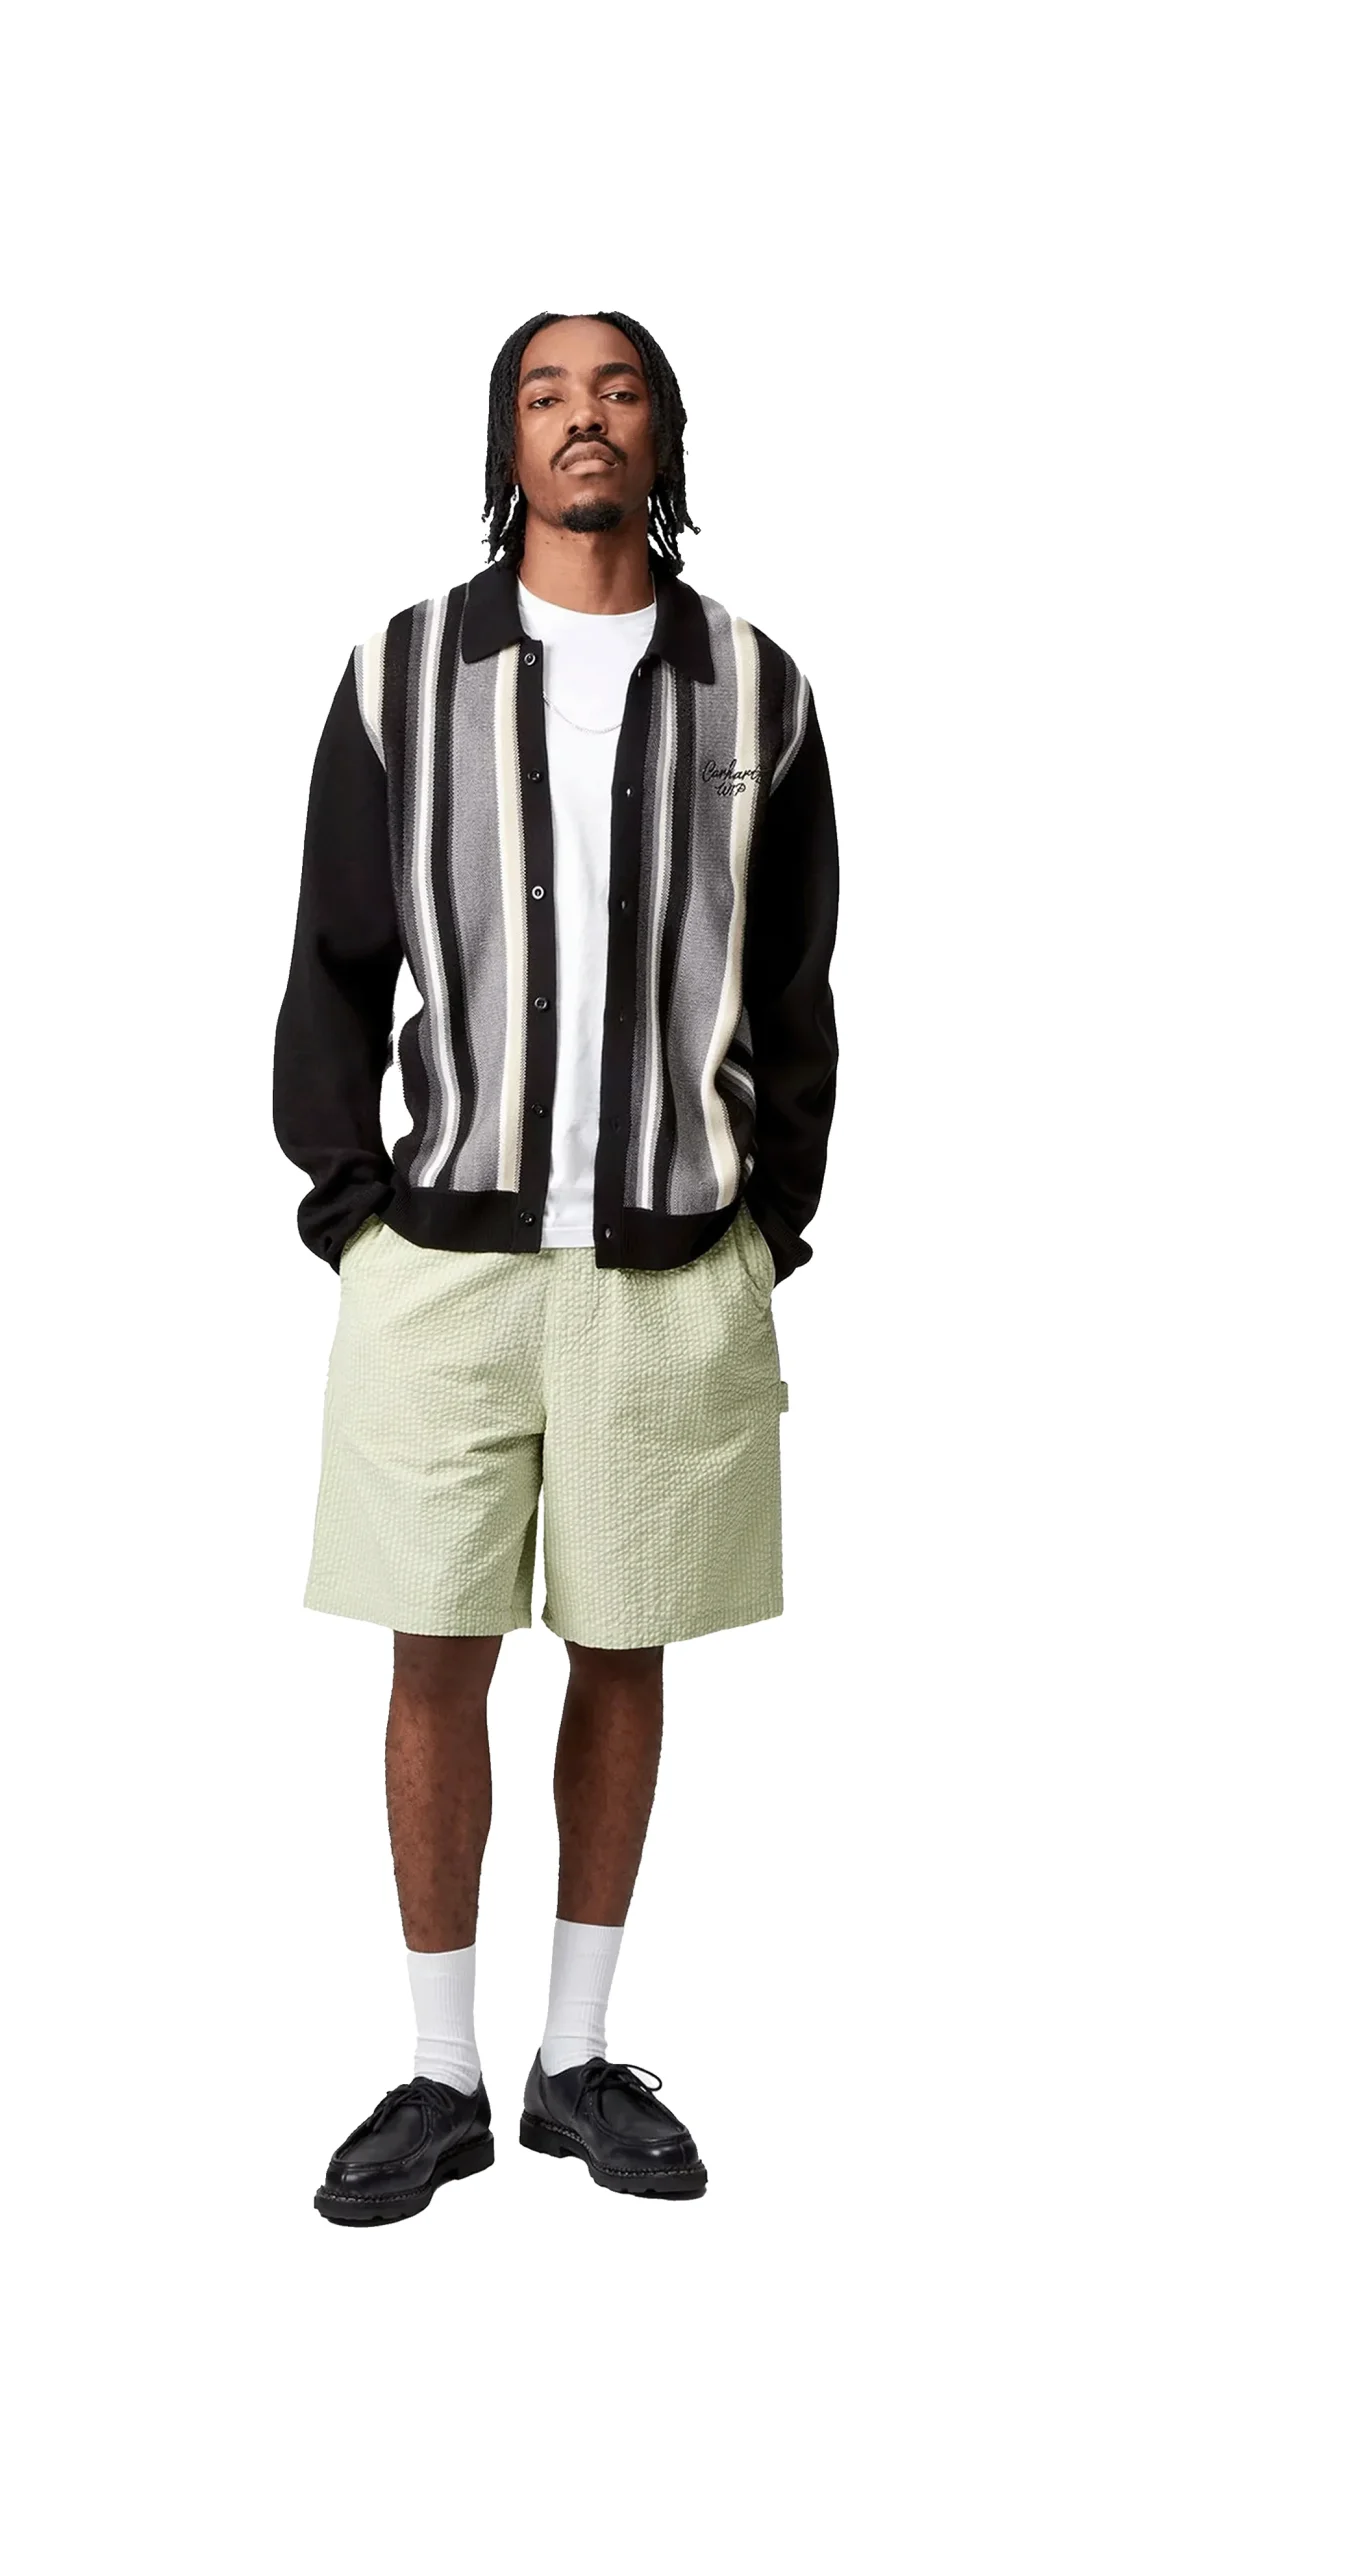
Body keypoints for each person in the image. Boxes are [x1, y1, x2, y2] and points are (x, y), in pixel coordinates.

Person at [273, 308, 840, 2226]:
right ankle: (437, 2076)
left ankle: (576, 2060)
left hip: (674, 1266)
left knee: (625, 1645)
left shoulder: (755, 687)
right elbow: (333, 960)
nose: (582, 419)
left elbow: (796, 982)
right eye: (545, 393)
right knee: (433, 1650)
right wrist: (349, 1206)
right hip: (443, 1261)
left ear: (662, 432)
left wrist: (771, 1222)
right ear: (505, 441)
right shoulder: (404, 672)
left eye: (617, 391)